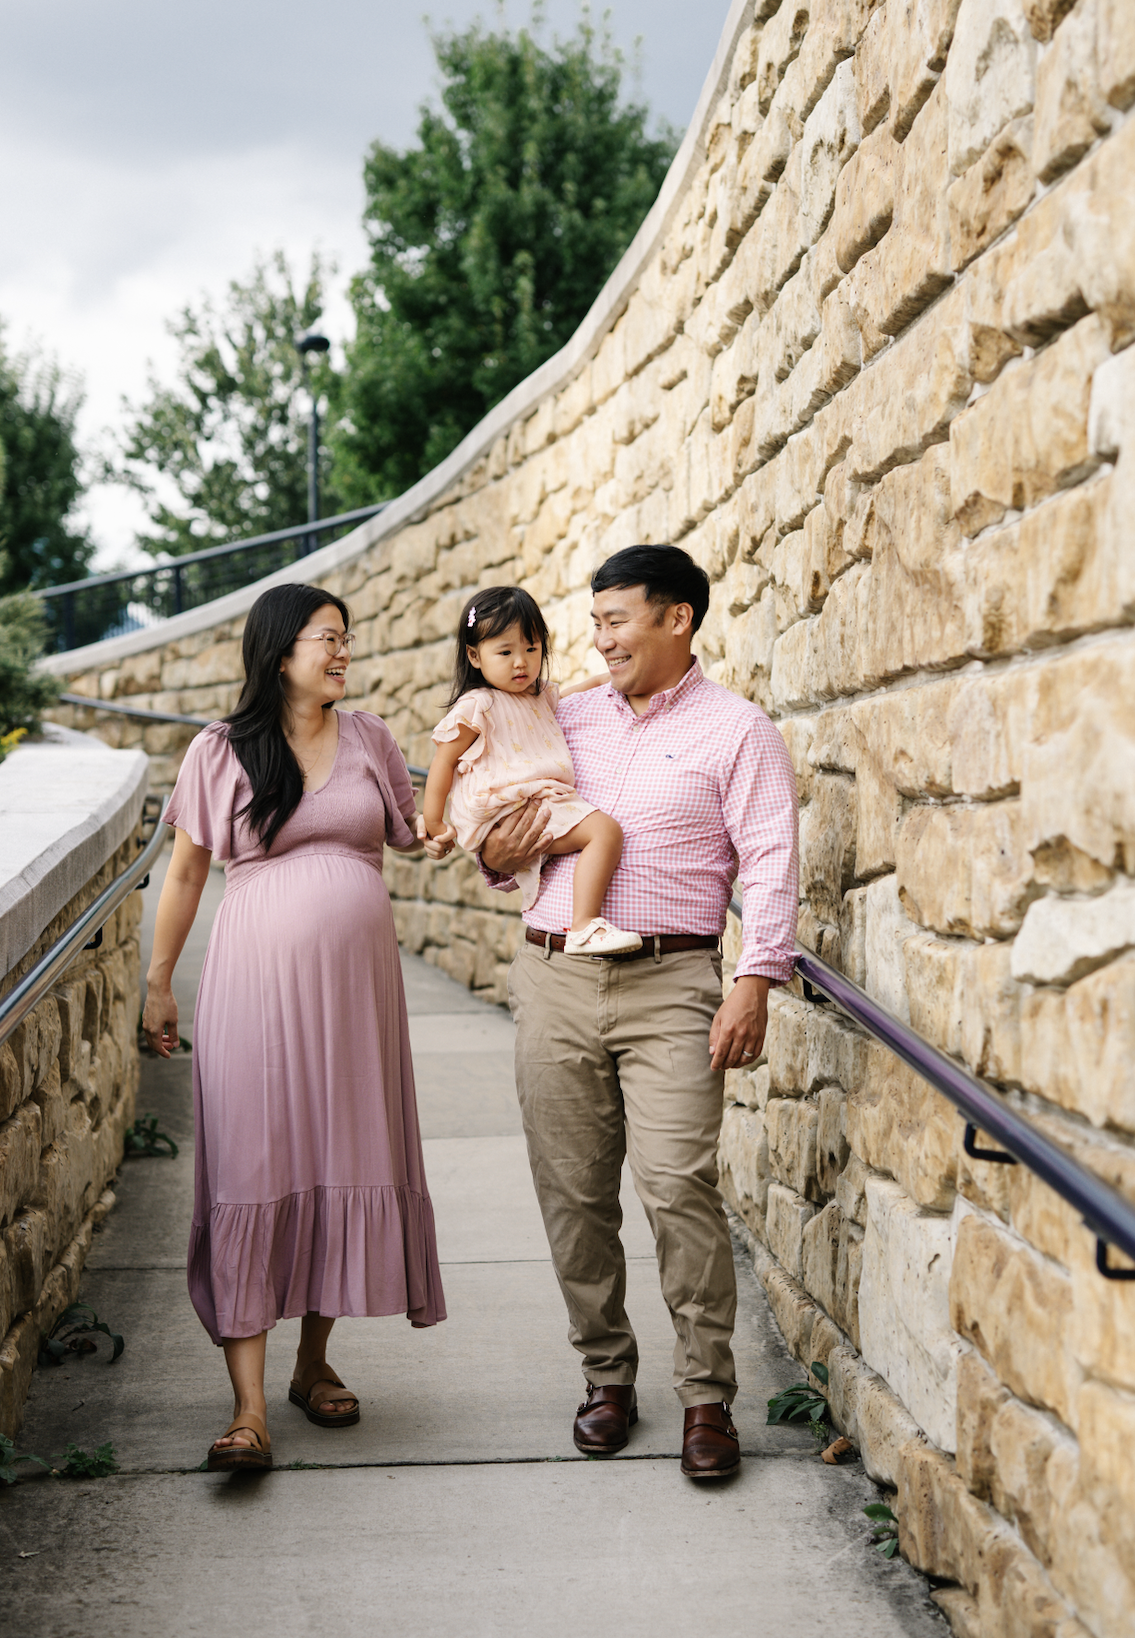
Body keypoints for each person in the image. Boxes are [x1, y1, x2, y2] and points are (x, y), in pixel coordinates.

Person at [470, 544, 798, 1478]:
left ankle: (706, 1400)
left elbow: (770, 859)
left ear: (677, 619)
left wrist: (754, 980)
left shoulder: (739, 732)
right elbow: (499, 828)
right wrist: (498, 850)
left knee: (676, 1186)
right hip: (555, 977)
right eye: (597, 619)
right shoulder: (561, 717)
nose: (598, 636)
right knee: (573, 1193)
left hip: (672, 985)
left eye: (616, 619)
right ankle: (606, 1379)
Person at [142, 583, 445, 1472]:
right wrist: (158, 983)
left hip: (357, 1001)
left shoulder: (372, 739)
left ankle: (312, 1364)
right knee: (254, 1163)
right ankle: (246, 1412)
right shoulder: (221, 751)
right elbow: (189, 875)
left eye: (348, 639)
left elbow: (413, 834)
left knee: (339, 1161)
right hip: (254, 993)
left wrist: (477, 783)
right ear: (280, 653)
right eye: (327, 639)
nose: (343, 653)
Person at [424, 585, 641, 957]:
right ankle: (584, 926)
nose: (520, 662)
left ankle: (582, 923)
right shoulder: (478, 705)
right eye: (505, 652)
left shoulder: (538, 697)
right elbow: (443, 762)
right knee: (604, 831)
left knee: (600, 832)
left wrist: (611, 679)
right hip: (505, 804)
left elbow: (573, 692)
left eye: (531, 648)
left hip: (531, 800)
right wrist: (434, 822)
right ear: (475, 656)